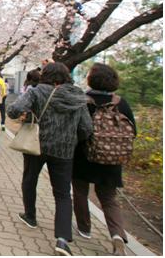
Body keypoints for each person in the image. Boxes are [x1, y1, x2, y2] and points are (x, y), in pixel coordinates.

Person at [7, 62, 93, 256]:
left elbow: (13, 110)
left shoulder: (37, 92)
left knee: (30, 179)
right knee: (62, 193)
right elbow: (86, 128)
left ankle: (30, 216)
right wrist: (71, 138)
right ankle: (62, 239)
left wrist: (29, 114)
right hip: (64, 151)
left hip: (36, 145)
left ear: (45, 75)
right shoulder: (78, 95)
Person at [72, 63, 136, 256]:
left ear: (91, 79)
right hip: (112, 159)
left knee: (80, 192)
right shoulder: (120, 102)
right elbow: (134, 131)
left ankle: (84, 228)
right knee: (109, 198)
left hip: (84, 156)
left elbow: (78, 130)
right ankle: (117, 236)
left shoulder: (83, 100)